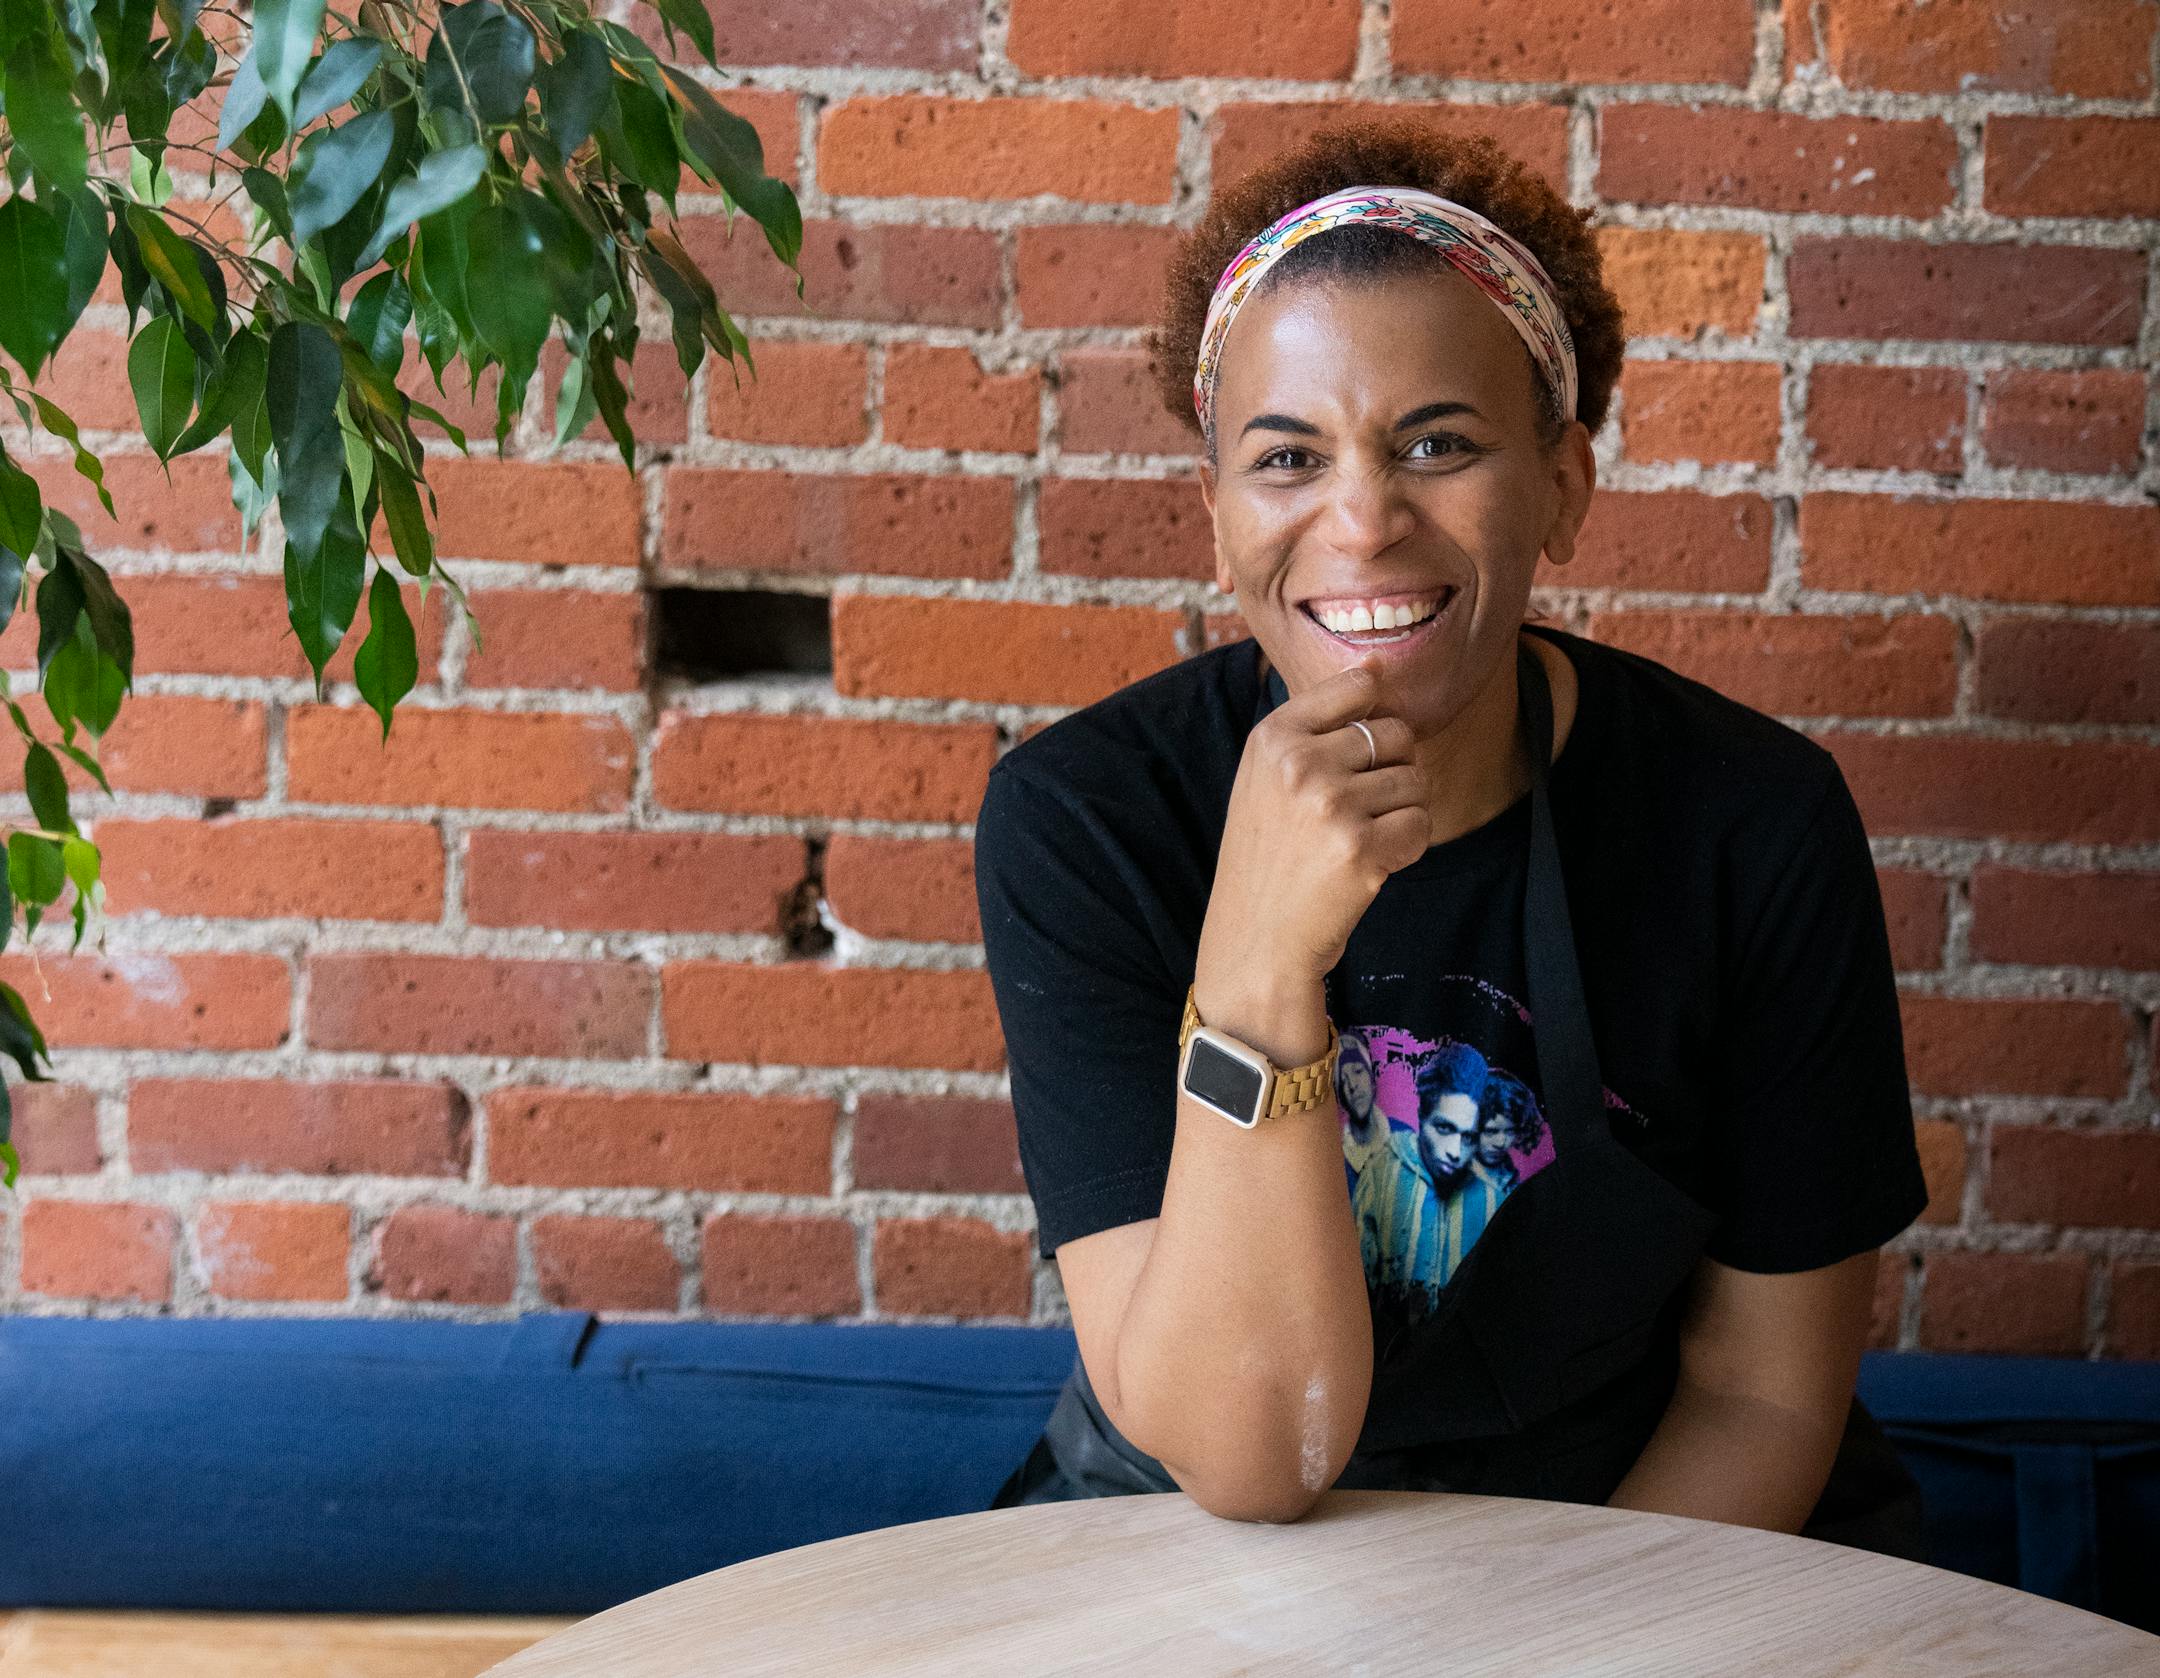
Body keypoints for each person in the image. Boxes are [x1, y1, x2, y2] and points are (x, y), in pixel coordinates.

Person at [975, 118, 1930, 1555]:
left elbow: (1758, 1400)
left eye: (1438, 443)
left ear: (1565, 487)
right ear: (1218, 517)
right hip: (1205, 1548)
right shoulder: (1089, 822)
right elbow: (1247, 1455)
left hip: (1641, 1559)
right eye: (1287, 457)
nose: (1362, 521)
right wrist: (1256, 967)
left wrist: (1548, 1651)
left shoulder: (1750, 824)